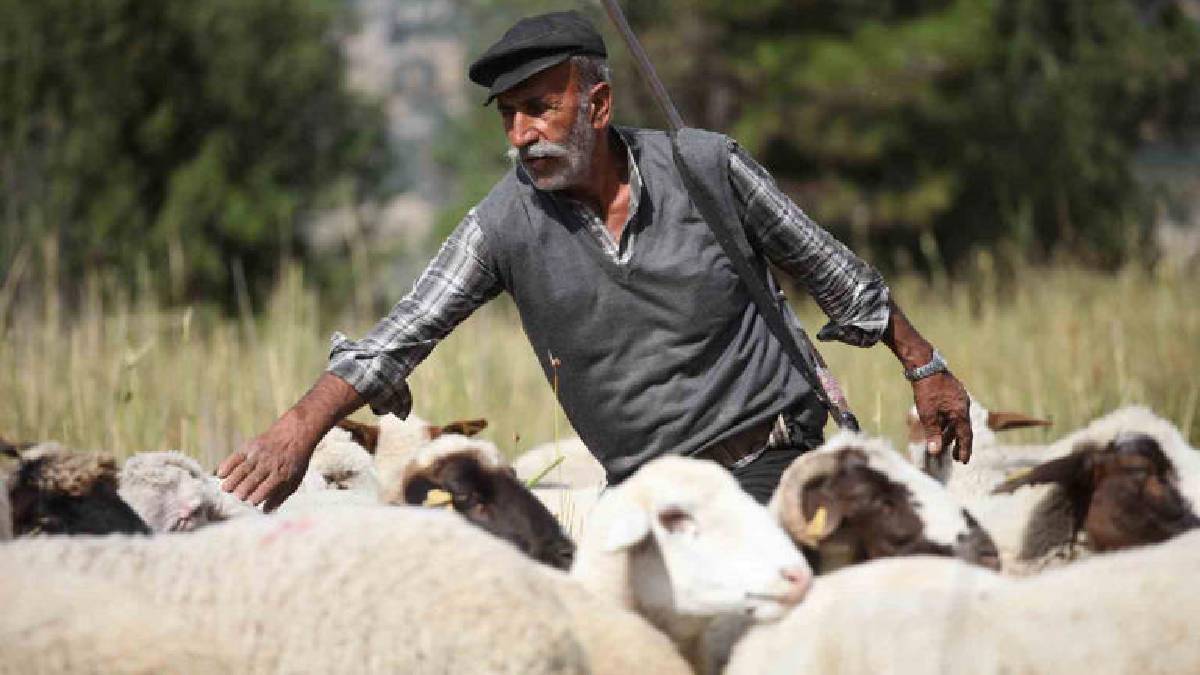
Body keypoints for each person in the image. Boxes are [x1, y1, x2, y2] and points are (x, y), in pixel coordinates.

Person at [219, 10, 973, 508]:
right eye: (507, 115)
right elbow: (399, 336)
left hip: (777, 464)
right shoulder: (501, 225)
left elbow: (832, 271)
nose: (519, 134)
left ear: (599, 105)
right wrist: (295, 431)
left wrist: (924, 364)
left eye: (539, 107)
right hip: (648, 499)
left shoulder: (707, 168)